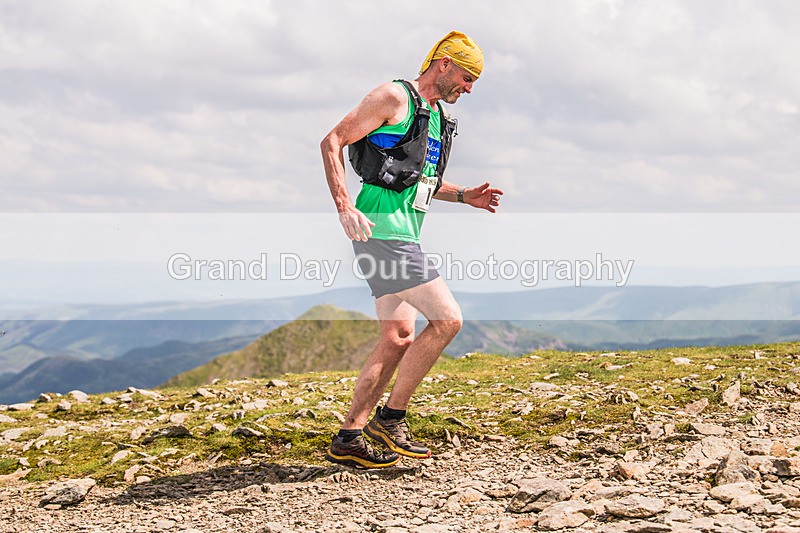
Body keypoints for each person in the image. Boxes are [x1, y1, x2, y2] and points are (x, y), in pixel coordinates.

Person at [320, 31, 503, 468]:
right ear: (443, 64)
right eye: (467, 75)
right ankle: (392, 416)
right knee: (447, 319)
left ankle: (349, 437)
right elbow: (332, 141)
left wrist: (464, 196)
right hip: (381, 232)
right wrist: (344, 207)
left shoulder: (435, 117)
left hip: (402, 233)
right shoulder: (392, 97)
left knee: (398, 336)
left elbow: (415, 178)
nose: (470, 87)